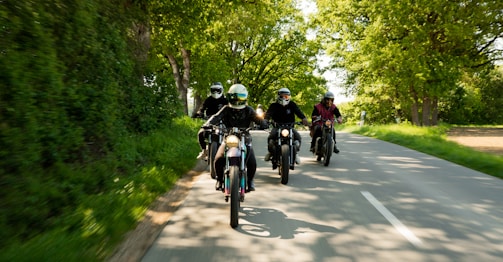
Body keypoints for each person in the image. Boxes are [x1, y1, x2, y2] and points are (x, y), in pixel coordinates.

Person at [198, 83, 267, 192]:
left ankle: (250, 181)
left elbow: (258, 119)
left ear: (245, 97)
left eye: (240, 97)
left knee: (252, 162)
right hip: (229, 137)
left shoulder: (249, 110)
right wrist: (207, 124)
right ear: (230, 97)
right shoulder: (226, 109)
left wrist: (263, 124)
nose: (237, 100)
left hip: (245, 137)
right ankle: (220, 180)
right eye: (235, 97)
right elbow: (216, 117)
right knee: (218, 159)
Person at [264, 88, 309, 164]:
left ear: (289, 97)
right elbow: (268, 114)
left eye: (286, 96)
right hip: (277, 127)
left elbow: (298, 112)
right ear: (278, 96)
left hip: (290, 127)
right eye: (282, 96)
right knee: (271, 137)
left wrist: (304, 118)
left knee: (298, 137)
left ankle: (296, 153)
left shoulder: (292, 104)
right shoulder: (274, 105)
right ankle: (270, 152)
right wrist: (266, 120)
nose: (284, 98)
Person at [196, 82, 228, 159]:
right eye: (213, 90)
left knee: (231, 134)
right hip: (210, 121)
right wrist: (199, 113)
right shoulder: (208, 100)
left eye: (217, 90)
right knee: (201, 133)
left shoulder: (225, 100)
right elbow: (202, 108)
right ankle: (204, 151)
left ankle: (231, 150)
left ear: (221, 90)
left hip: (223, 121)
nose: (215, 92)